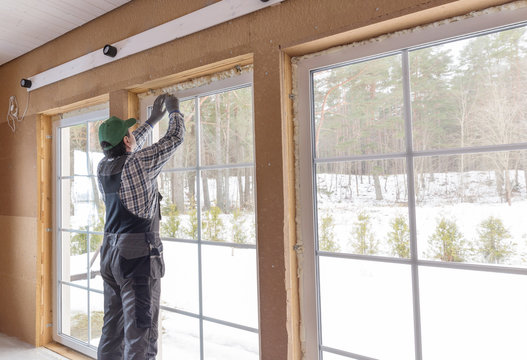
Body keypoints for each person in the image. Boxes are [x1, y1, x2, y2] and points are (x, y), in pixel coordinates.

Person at [96, 93, 184, 359]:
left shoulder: (102, 166)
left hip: (110, 255)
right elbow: (174, 139)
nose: (133, 136)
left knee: (113, 329)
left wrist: (150, 121)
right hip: (136, 259)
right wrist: (173, 112)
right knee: (140, 336)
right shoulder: (137, 163)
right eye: (130, 134)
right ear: (125, 140)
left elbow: (131, 148)